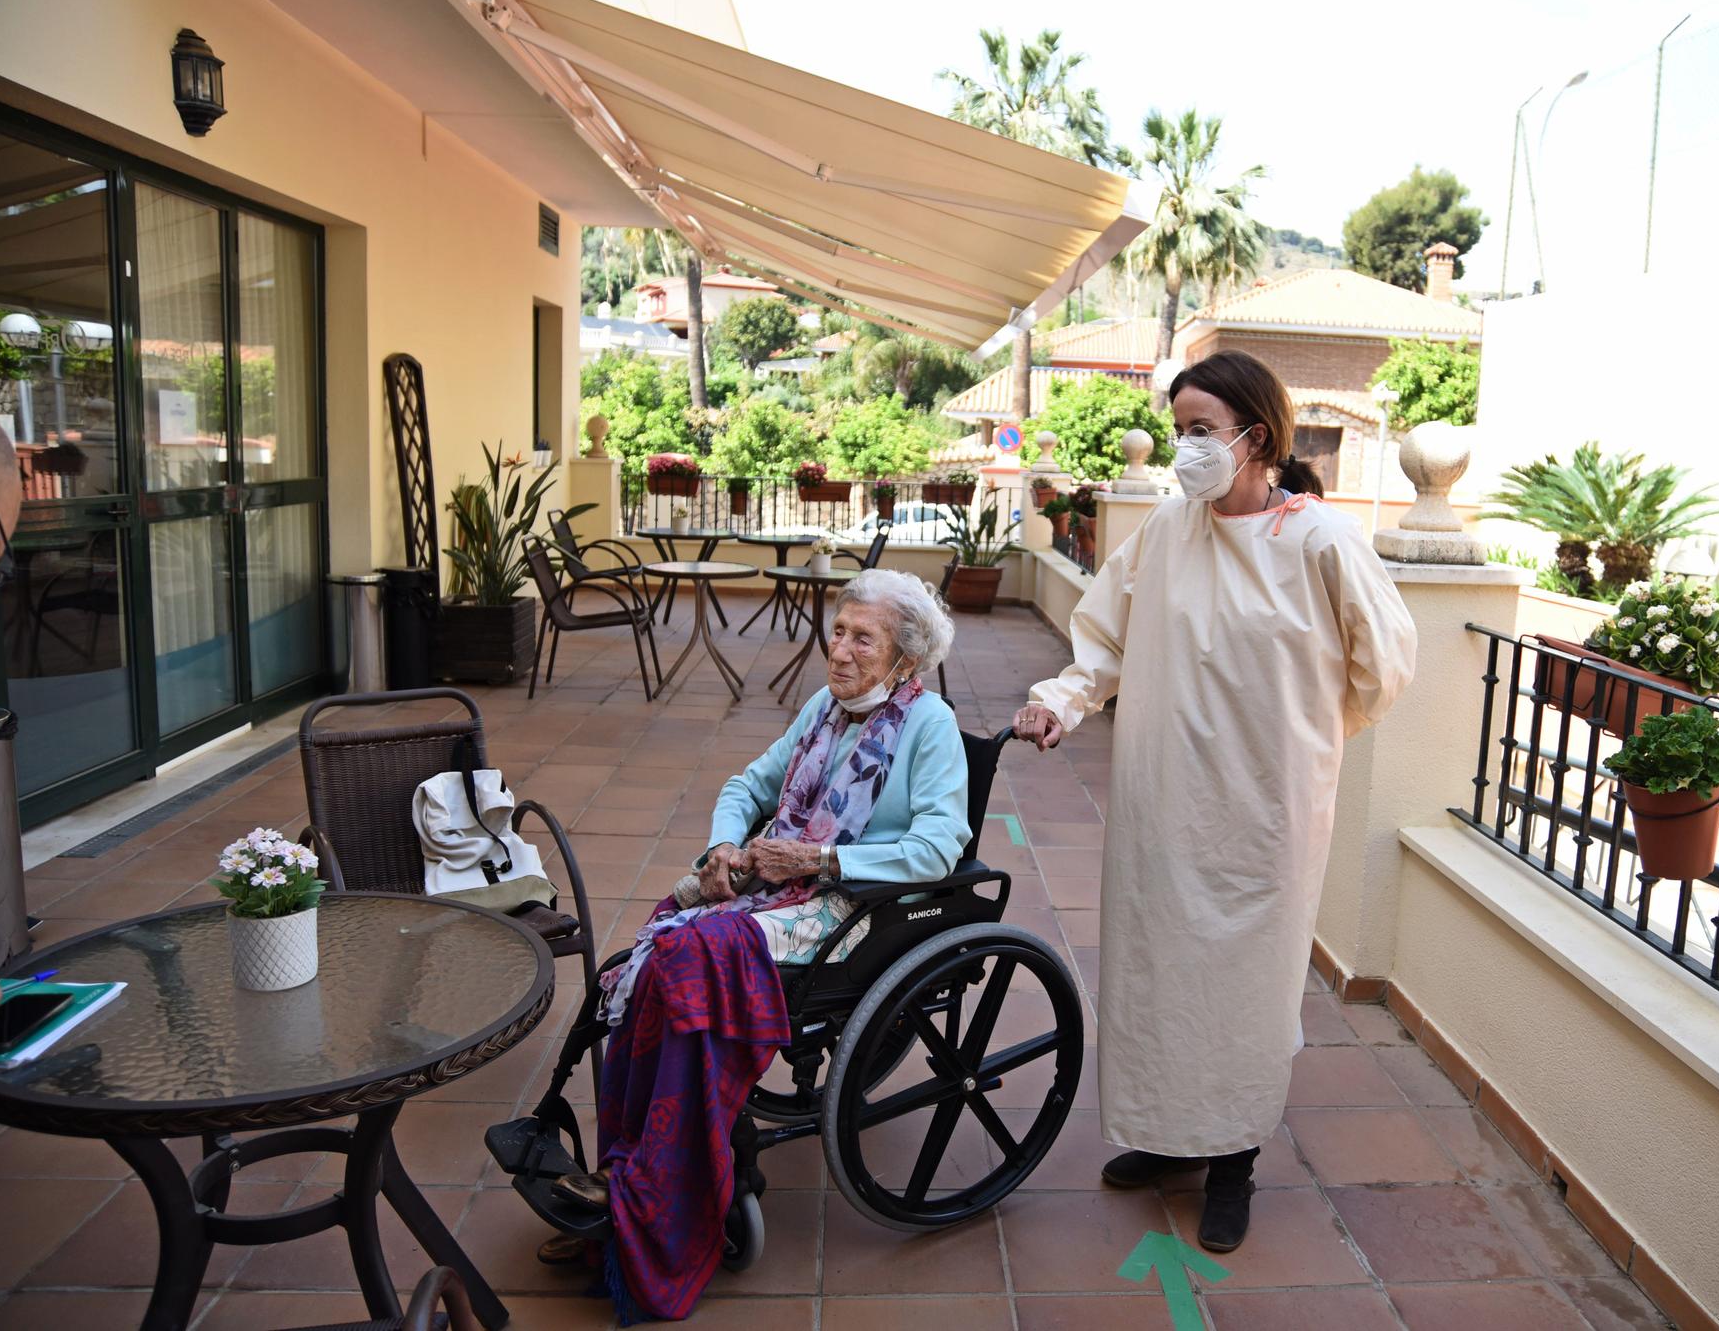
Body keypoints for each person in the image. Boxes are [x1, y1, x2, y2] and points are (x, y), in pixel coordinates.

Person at [1013, 349, 1417, 1252]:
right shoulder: (1166, 529)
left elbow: (1381, 667)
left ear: (1256, 438)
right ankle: (1167, 1137)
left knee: (1242, 990)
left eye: (1200, 431)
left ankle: (1231, 1161)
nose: (1184, 449)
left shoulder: (1319, 540)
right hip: (1163, 801)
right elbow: (1103, 639)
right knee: (1158, 974)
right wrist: (1062, 701)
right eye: (1179, 431)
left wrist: (1302, 739)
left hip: (1265, 813)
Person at [544, 568, 969, 1319]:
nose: (838, 650)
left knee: (682, 963)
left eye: (861, 637)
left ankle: (658, 1191)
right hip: (781, 889)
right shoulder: (824, 709)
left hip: (859, 907)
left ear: (904, 657)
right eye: (836, 630)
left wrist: (822, 859)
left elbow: (940, 847)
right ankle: (635, 1170)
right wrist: (722, 847)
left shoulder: (929, 726)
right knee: (649, 963)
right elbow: (747, 786)